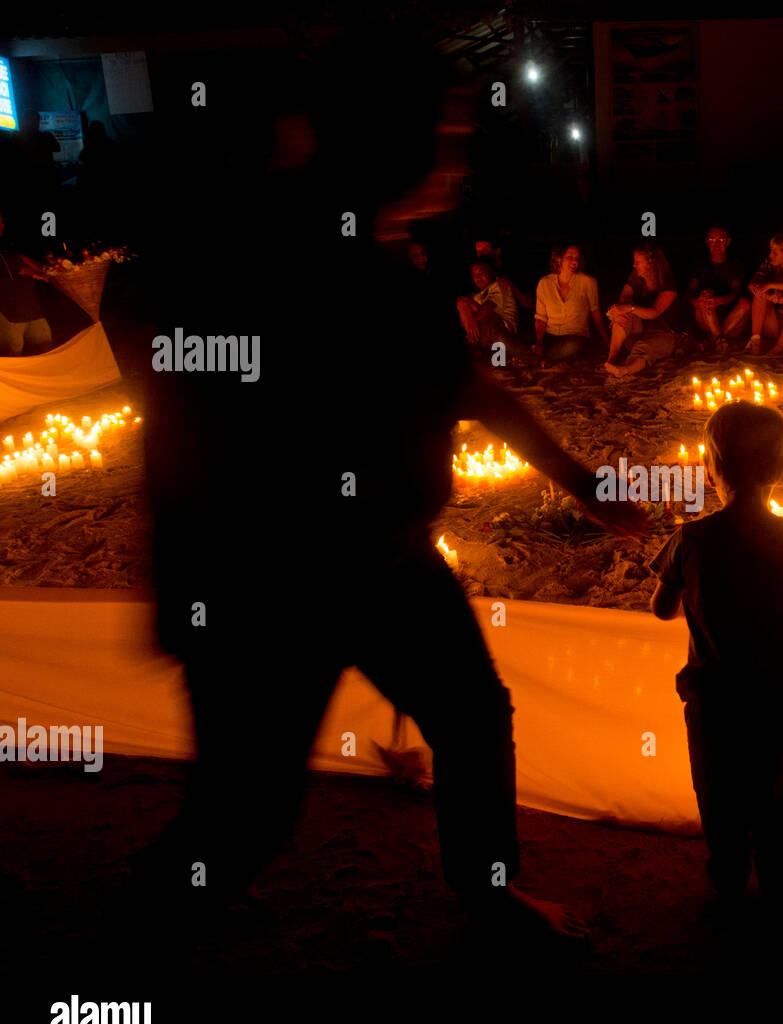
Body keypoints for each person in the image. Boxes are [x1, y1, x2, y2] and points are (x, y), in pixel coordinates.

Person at [130, 37, 648, 948]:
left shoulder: (363, 246)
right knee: (249, 800)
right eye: (441, 133)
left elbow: (460, 385)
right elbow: (170, 359)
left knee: (470, 712)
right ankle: (150, 927)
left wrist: (582, 481)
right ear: (383, 143)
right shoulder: (289, 249)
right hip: (272, 580)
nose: (455, 157)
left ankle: (487, 892)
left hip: (380, 559)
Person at [650, 400, 783, 905]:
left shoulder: (690, 538)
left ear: (712, 468)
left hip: (711, 696)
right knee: (776, 785)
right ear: (782, 468)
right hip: (775, 692)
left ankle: (728, 873)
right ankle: (780, 874)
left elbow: (661, 608)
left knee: (715, 787)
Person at [604, 240, 679, 378]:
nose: (634, 265)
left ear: (651, 263)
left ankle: (625, 370)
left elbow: (654, 313)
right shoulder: (635, 277)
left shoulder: (668, 283)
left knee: (644, 348)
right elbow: (622, 301)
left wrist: (629, 307)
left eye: (638, 261)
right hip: (638, 332)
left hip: (664, 335)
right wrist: (616, 312)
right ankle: (611, 359)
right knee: (623, 314)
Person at [531, 244, 608, 361]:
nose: (574, 262)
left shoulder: (588, 282)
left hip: (575, 337)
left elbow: (595, 312)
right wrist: (539, 343)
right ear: (558, 258)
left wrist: (605, 340)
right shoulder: (544, 283)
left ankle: (542, 358)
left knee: (573, 346)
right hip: (551, 336)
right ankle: (544, 355)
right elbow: (541, 318)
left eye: (577, 258)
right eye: (570, 257)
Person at [687, 225, 750, 352]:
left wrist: (720, 300)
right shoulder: (700, 264)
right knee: (707, 294)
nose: (716, 244)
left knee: (745, 304)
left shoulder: (736, 264)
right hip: (706, 317)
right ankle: (718, 336)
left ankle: (715, 337)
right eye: (712, 240)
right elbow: (690, 291)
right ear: (707, 242)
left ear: (728, 242)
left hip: (731, 322)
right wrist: (696, 301)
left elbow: (736, 291)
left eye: (721, 240)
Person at [0, 210, 53, 356]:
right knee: (13, 354)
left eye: (2, 221)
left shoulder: (10, 246)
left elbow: (24, 259)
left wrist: (46, 270)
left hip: (32, 309)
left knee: (44, 348)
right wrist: (38, 274)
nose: (2, 225)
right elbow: (17, 268)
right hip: (9, 313)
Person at [456, 257, 525, 359]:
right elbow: (464, 320)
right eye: (475, 276)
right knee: (462, 301)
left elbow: (489, 307)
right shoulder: (479, 295)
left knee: (467, 304)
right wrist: (465, 313)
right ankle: (477, 346)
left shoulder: (500, 284)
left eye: (482, 273)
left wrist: (470, 320)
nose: (478, 278)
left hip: (505, 331)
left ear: (491, 272)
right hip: (489, 332)